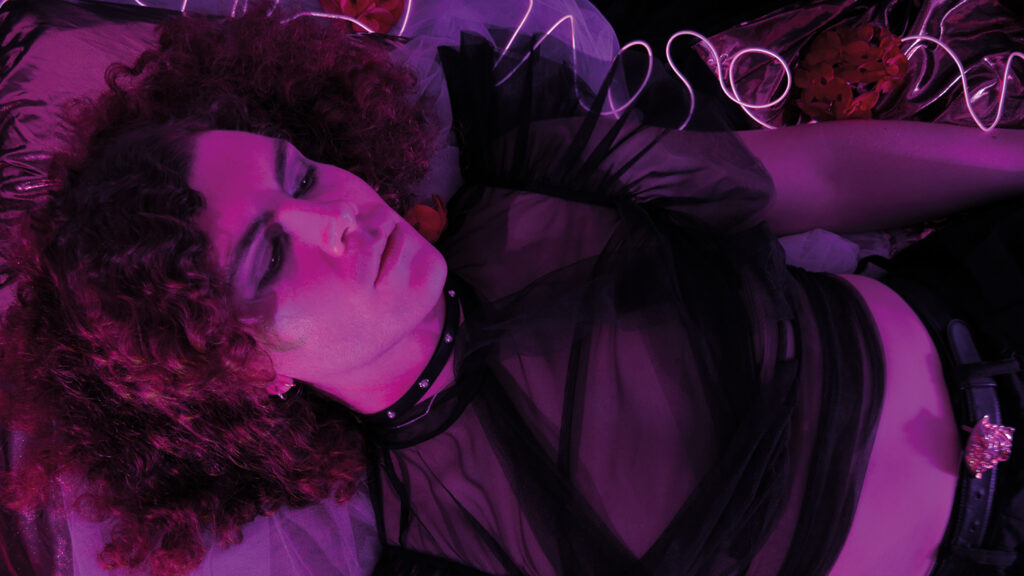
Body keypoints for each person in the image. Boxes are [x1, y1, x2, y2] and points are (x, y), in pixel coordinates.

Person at [1, 5, 1023, 576]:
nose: (339, 215)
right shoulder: (436, 550)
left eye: (301, 175)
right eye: (268, 259)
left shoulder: (533, 174)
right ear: (245, 374)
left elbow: (821, 178)